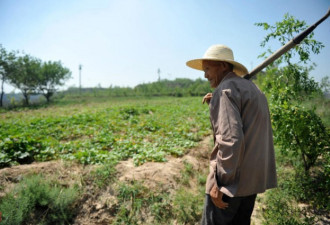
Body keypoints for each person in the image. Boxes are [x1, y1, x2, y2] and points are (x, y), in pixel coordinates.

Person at [186, 44, 277, 225]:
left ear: (223, 66)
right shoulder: (252, 89)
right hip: (251, 183)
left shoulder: (226, 91)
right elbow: (246, 122)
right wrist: (217, 99)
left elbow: (231, 140)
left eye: (207, 69)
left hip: (231, 185)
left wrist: (222, 184)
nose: (205, 75)